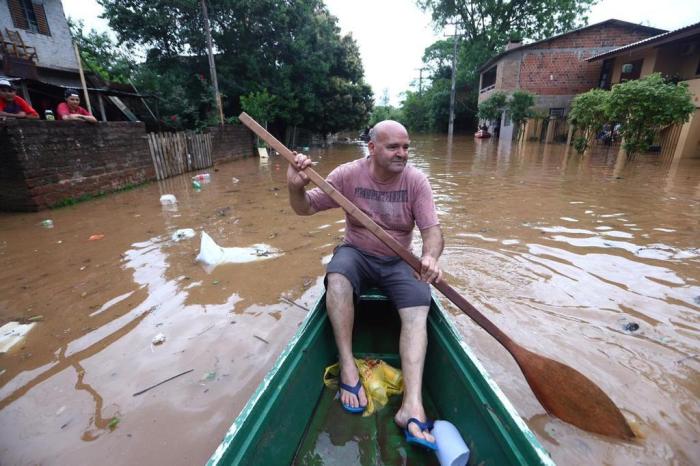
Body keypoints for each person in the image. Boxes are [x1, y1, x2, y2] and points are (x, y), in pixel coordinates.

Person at [287, 120, 443, 448]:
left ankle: (411, 405)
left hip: (399, 260)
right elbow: (305, 208)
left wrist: (429, 257)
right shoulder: (347, 175)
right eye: (393, 147)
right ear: (372, 148)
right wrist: (295, 186)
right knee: (337, 277)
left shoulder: (416, 181)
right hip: (356, 253)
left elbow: (432, 232)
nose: (402, 154)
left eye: (406, 147)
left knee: (419, 307)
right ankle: (348, 368)